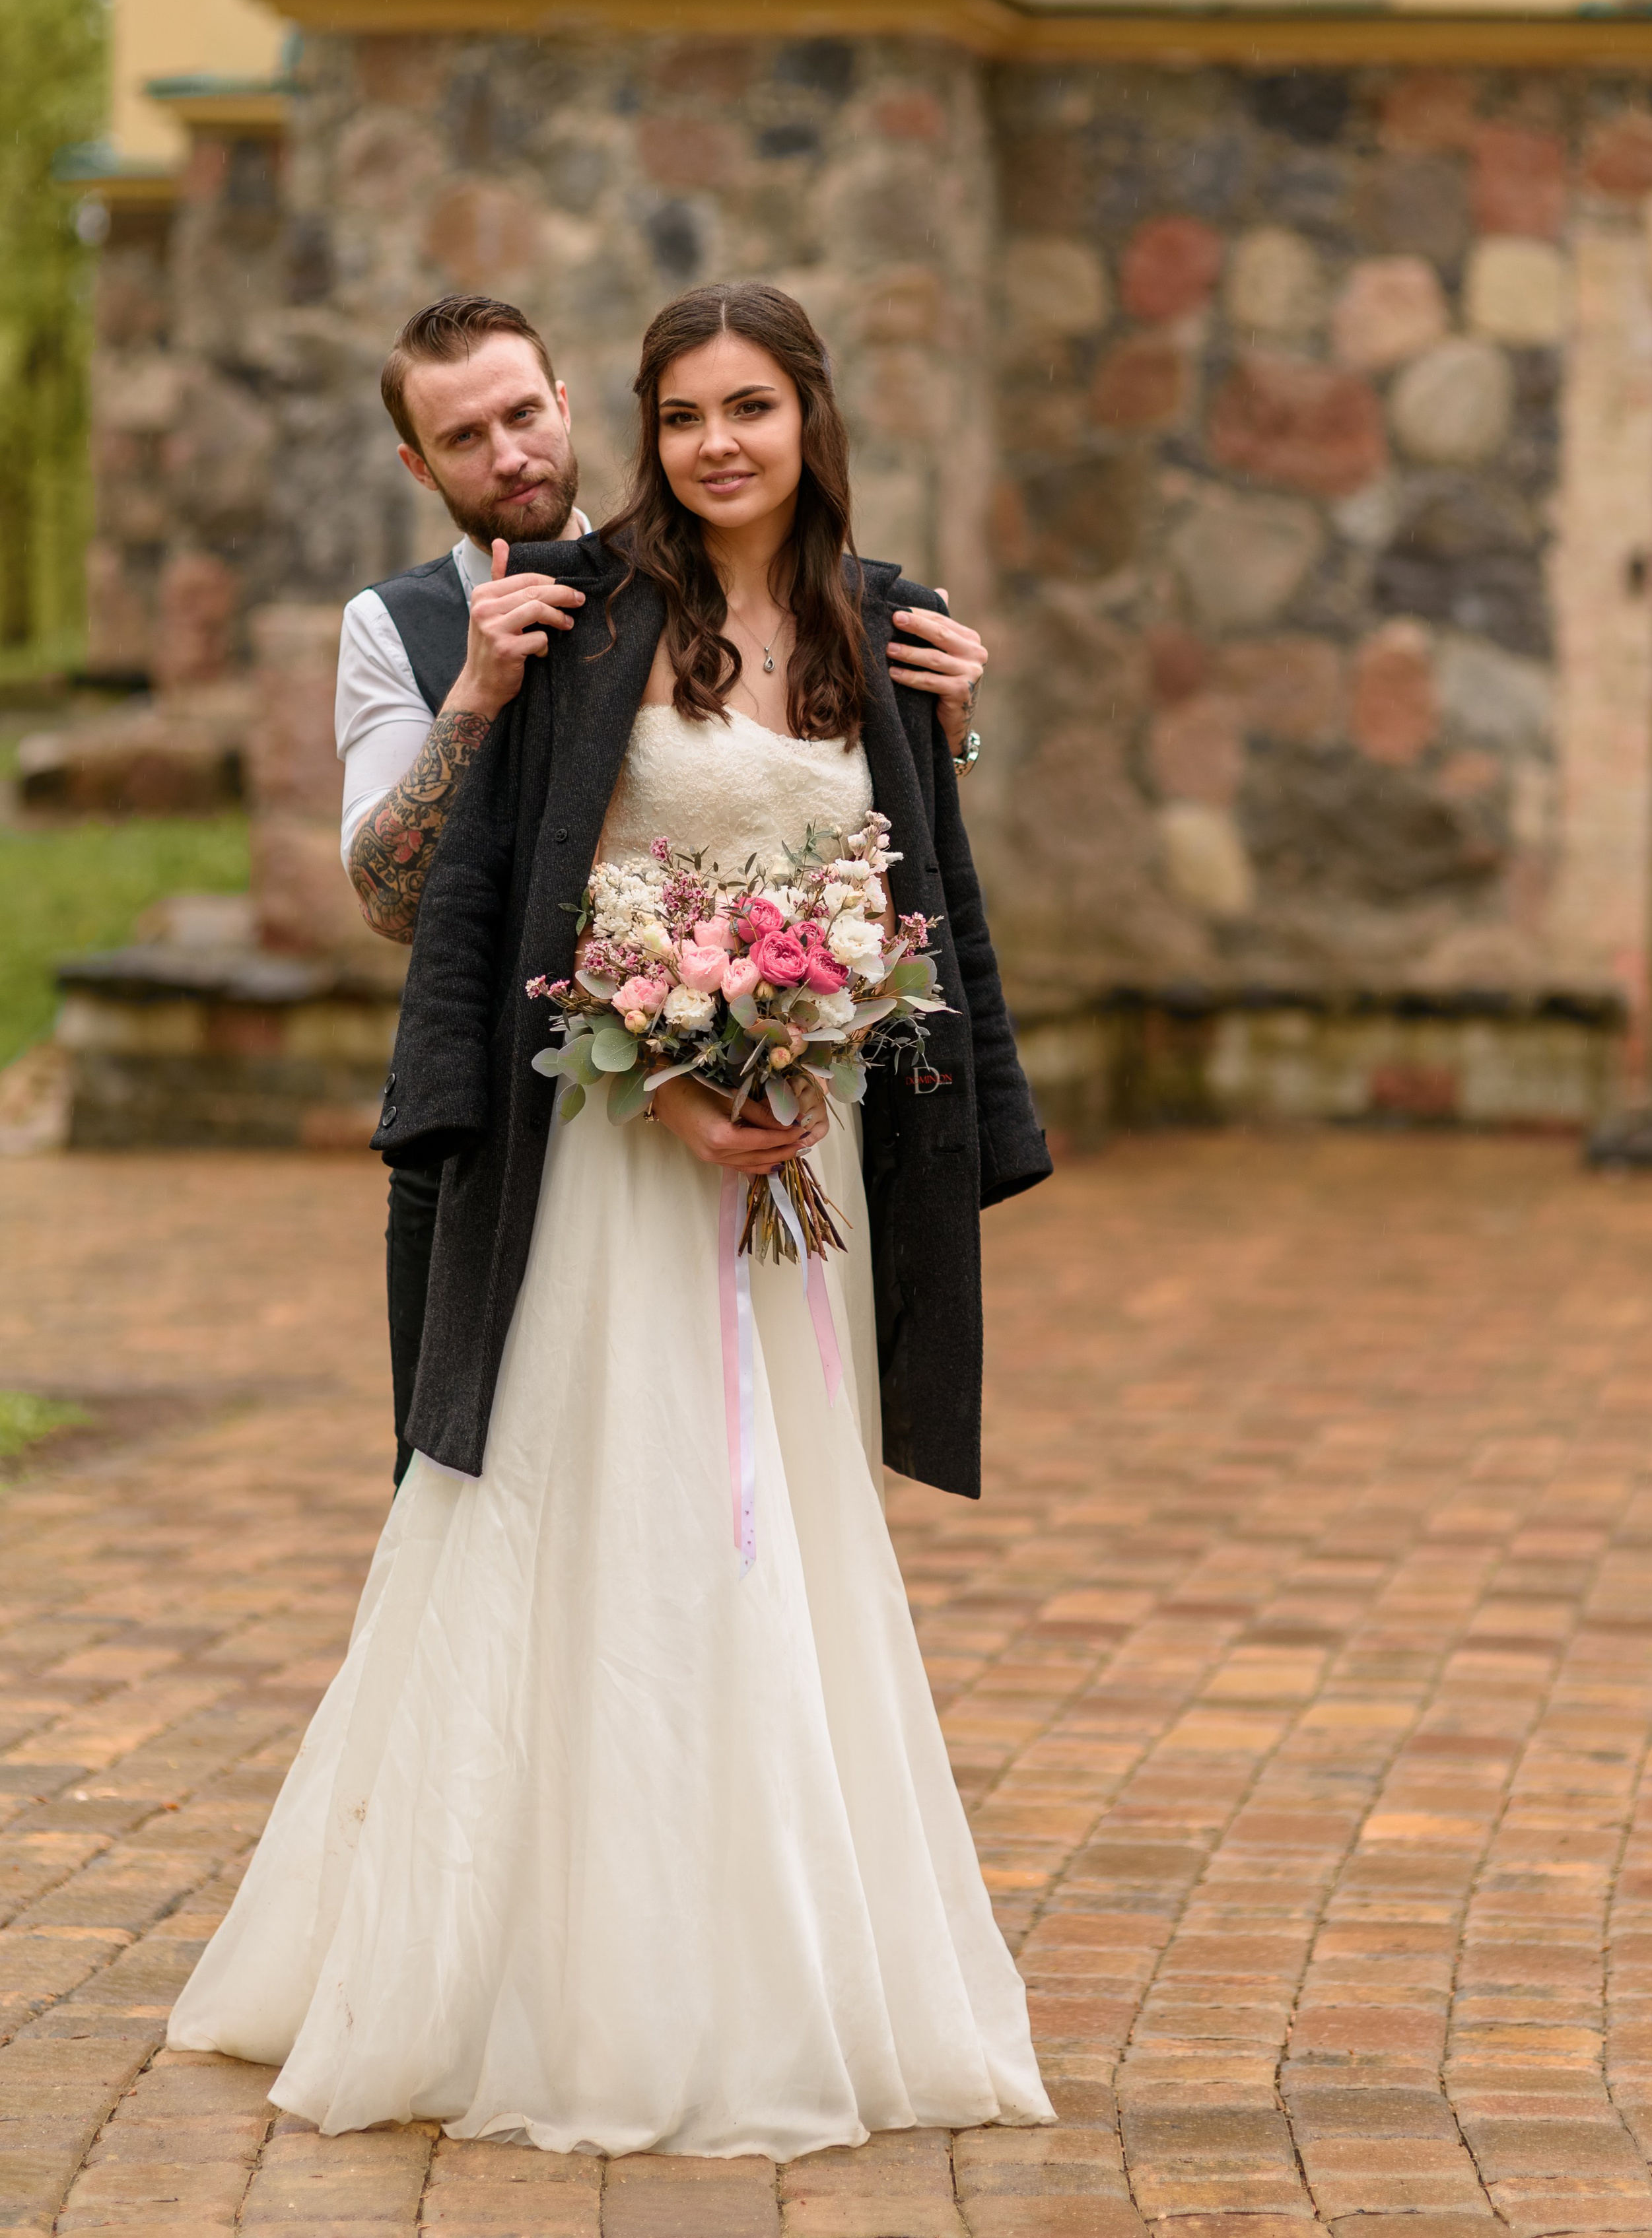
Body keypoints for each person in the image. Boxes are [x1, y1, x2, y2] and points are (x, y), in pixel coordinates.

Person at [169, 282, 1053, 2159]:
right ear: (422, 463)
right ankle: (533, 1958)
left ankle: (774, 1950)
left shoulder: (874, 618)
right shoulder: (499, 634)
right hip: (603, 1163)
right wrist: (659, 1063)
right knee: (578, 1521)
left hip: (783, 1161)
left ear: (804, 414)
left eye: (747, 407)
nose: (711, 442)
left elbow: (898, 877)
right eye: (686, 416)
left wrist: (821, 1032)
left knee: (766, 1559)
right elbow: (467, 902)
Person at [335, 293, 592, 1483]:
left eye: (523, 414)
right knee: (451, 1495)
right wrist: (475, 696)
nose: (510, 456)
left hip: (673, 1134)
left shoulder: (677, 583)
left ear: (563, 402)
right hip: (469, 1122)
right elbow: (388, 898)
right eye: (464, 438)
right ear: (414, 461)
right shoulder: (394, 627)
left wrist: (951, 734)